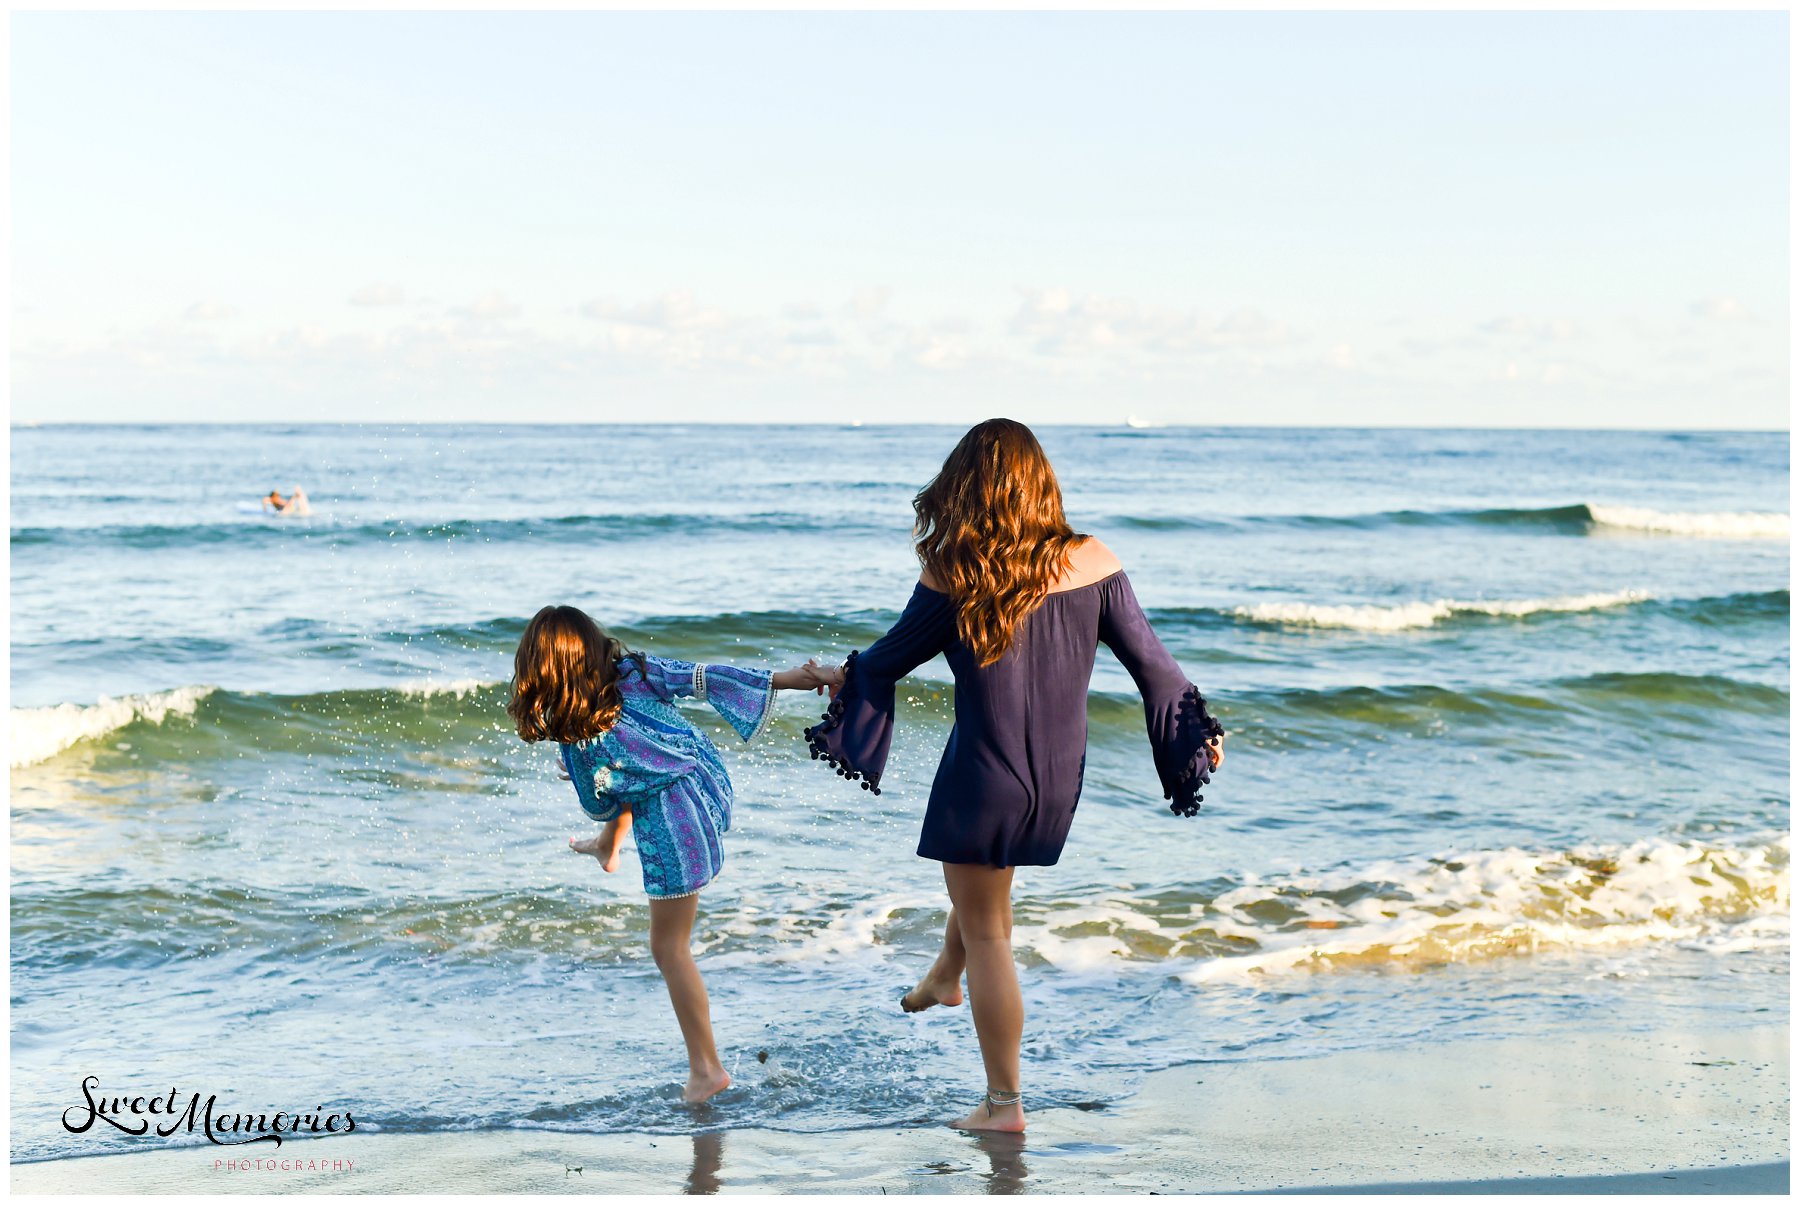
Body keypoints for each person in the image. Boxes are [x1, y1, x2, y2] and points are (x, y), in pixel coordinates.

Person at [804, 418, 1226, 1133]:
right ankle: (943, 974)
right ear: (1041, 483)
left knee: (990, 931)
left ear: (968, 484)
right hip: (1057, 783)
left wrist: (831, 677)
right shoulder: (1094, 560)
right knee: (985, 900)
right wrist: (1199, 733)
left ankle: (1003, 1105)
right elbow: (1156, 668)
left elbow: (884, 661)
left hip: (982, 774)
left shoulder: (955, 570)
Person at [507, 605, 840, 1103]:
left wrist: (581, 766)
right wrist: (795, 678)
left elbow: (597, 799)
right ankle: (608, 848)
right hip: (706, 782)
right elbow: (702, 677)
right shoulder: (634, 672)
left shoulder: (577, 737)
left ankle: (707, 1069)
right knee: (628, 771)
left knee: (669, 948)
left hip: (679, 825)